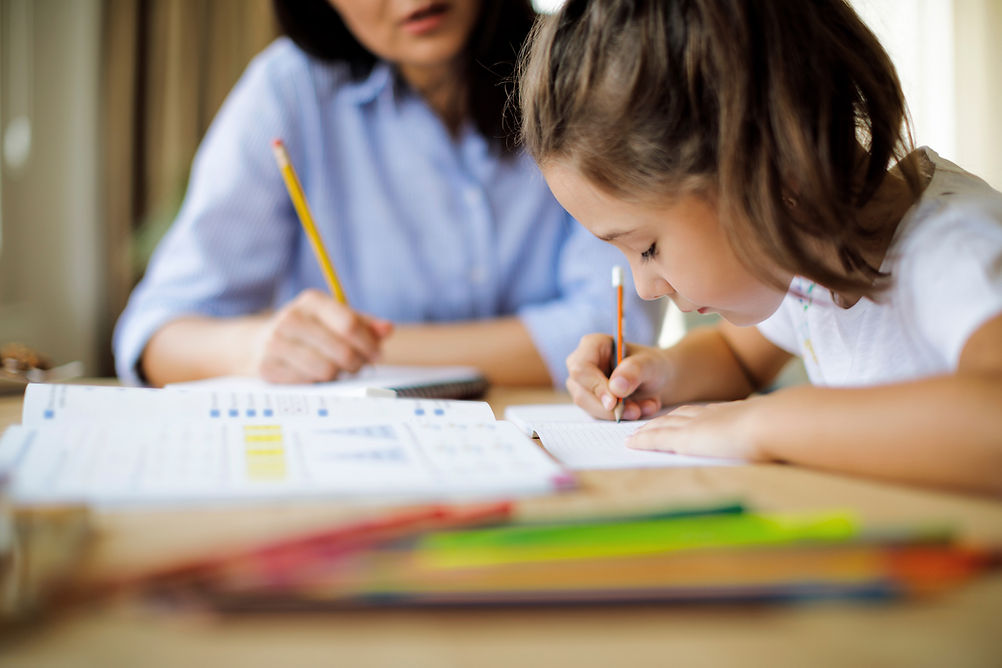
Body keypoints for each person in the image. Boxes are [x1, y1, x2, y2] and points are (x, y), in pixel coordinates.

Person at [519, 0, 1002, 494]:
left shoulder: (954, 249)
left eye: (646, 248)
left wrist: (766, 424)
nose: (644, 288)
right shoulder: (806, 256)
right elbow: (737, 356)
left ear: (762, 160)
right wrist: (658, 373)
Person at [113, 0, 658, 388]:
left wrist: (362, 353)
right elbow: (153, 336)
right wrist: (258, 347)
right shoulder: (289, 93)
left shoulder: (580, 69)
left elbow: (616, 331)